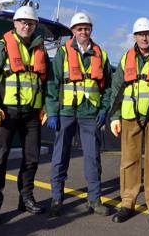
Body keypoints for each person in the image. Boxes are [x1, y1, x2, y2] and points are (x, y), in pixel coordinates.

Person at [0, 5, 48, 227]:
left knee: (32, 158)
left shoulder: (41, 49)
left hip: (32, 114)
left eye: (30, 23)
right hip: (6, 112)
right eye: (22, 22)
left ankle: (26, 199)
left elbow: (46, 81)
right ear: (15, 23)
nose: (26, 26)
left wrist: (45, 106)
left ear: (35, 25)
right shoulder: (2, 47)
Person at [45, 12, 113, 217]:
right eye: (79, 28)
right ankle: (57, 198)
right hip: (66, 112)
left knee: (93, 157)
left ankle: (95, 199)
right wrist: (52, 112)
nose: (83, 31)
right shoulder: (62, 53)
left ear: (91, 30)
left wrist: (103, 109)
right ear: (73, 31)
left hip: (89, 113)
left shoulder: (101, 54)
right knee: (60, 155)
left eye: (87, 28)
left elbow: (107, 87)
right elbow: (52, 83)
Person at [109, 17, 149, 225]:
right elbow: (116, 89)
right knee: (129, 161)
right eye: (140, 34)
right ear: (134, 37)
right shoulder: (125, 58)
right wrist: (114, 116)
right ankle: (127, 203)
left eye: (148, 34)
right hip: (130, 116)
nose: (144, 38)